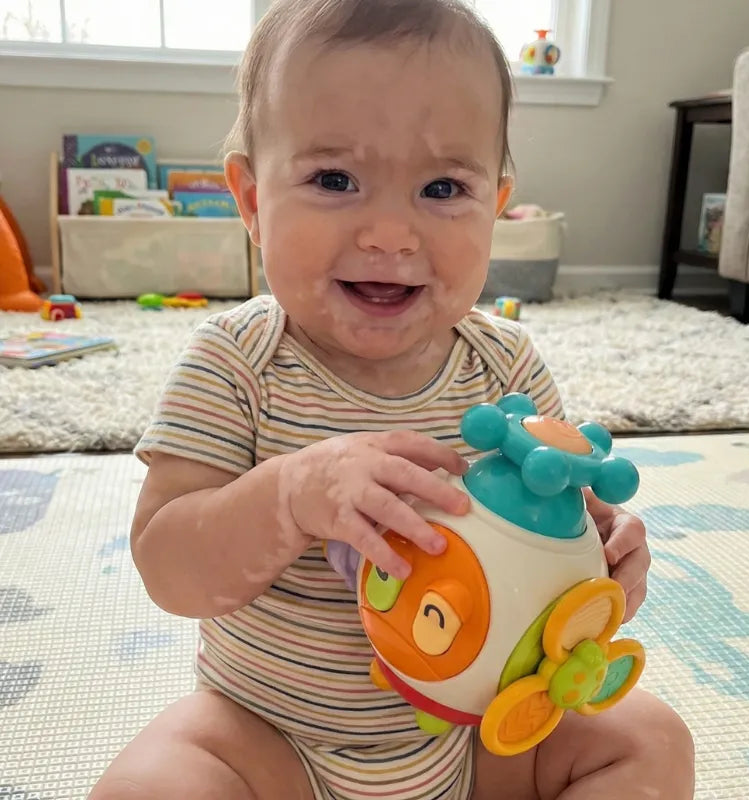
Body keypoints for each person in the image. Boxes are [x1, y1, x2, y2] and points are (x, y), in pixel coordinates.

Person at [89, 1, 694, 797]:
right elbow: (168, 569)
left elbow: (564, 526)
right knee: (154, 784)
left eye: (442, 187)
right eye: (334, 179)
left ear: (496, 205)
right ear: (252, 201)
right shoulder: (237, 364)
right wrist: (288, 496)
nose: (389, 233)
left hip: (483, 737)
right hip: (271, 742)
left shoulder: (506, 367)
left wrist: (604, 551)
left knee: (650, 741)